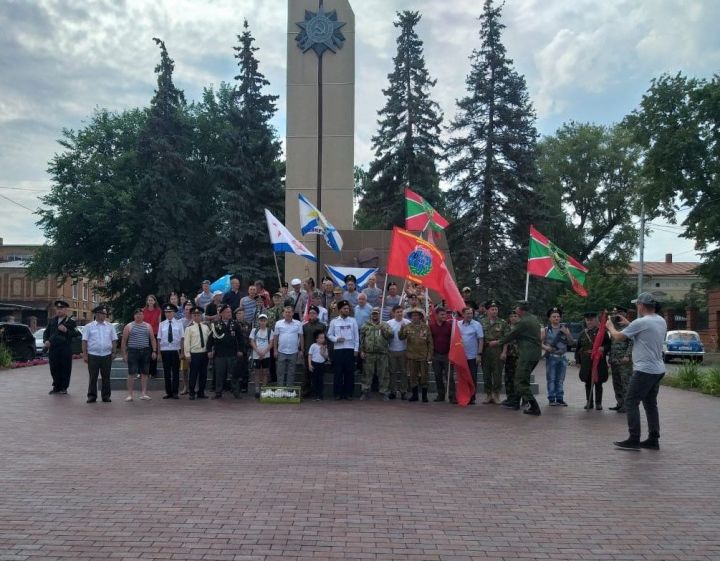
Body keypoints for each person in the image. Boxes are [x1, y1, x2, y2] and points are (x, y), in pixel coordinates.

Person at [606, 292, 667, 450]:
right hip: (657, 369)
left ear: (642, 305)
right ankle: (653, 439)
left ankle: (634, 438)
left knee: (631, 401)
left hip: (644, 370)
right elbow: (643, 336)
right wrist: (629, 323)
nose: (636, 306)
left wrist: (610, 327)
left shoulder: (641, 322)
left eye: (637, 304)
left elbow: (618, 337)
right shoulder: (660, 320)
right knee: (650, 403)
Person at [491, 301, 542, 416]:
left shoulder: (523, 322)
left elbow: (511, 335)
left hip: (527, 355)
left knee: (519, 381)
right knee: (521, 379)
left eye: (516, 308)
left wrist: (497, 342)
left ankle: (534, 406)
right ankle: (516, 402)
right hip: (533, 354)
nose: (515, 310)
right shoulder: (533, 318)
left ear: (520, 309)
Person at [82, 304, 117, 404]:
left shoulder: (110, 326)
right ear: (97, 314)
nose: (105, 315)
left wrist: (114, 352)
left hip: (106, 355)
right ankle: (92, 396)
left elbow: (114, 340)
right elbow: (84, 341)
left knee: (106, 376)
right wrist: (85, 354)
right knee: (93, 376)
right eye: (103, 313)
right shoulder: (89, 326)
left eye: (105, 313)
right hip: (93, 355)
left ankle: (106, 396)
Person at [575, 311, 611, 410]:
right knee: (588, 382)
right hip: (586, 361)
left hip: (598, 361)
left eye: (591, 320)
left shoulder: (602, 332)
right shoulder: (583, 333)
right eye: (588, 320)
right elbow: (578, 348)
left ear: (596, 320)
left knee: (598, 382)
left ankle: (598, 403)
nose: (589, 322)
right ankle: (589, 402)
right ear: (585, 321)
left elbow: (609, 344)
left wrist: (603, 348)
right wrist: (578, 361)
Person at [207, 304, 243, 399]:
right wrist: (209, 350)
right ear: (222, 313)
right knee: (219, 374)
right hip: (220, 354)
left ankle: (236, 392)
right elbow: (210, 339)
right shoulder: (215, 325)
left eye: (230, 312)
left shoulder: (235, 324)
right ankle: (218, 392)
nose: (229, 314)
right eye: (227, 312)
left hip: (232, 353)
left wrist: (240, 350)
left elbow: (240, 339)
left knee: (234, 374)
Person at [120, 308, 156, 401]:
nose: (138, 316)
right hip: (133, 352)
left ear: (143, 316)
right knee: (131, 373)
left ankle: (143, 393)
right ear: (134, 316)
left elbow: (152, 339)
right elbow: (124, 341)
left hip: (145, 351)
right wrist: (124, 354)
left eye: (140, 314)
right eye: (136, 314)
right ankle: (130, 395)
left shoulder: (148, 326)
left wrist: (154, 351)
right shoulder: (129, 326)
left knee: (145, 373)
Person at [540, 306, 573, 407]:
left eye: (558, 316)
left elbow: (571, 342)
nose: (556, 318)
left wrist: (567, 334)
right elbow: (538, 343)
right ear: (549, 318)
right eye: (554, 316)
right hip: (551, 357)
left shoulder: (564, 329)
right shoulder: (545, 330)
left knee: (560, 379)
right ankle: (551, 398)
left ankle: (560, 398)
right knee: (551, 379)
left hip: (562, 357)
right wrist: (546, 348)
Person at [44, 299, 78, 395]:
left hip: (65, 349)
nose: (59, 310)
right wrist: (46, 341)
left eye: (61, 308)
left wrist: (66, 330)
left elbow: (77, 333)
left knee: (65, 368)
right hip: (53, 349)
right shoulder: (52, 321)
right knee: (54, 368)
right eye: (58, 308)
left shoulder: (70, 321)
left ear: (65, 310)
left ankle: (64, 387)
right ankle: (56, 386)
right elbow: (46, 332)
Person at [399, 308, 433, 402]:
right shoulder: (408, 327)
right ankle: (415, 395)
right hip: (412, 355)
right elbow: (401, 337)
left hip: (423, 355)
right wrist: (401, 329)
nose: (415, 317)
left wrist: (429, 354)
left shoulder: (426, 327)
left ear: (420, 317)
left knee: (424, 376)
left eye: (416, 315)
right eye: (413, 316)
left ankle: (424, 396)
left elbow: (430, 342)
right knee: (413, 376)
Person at [327, 300, 359, 400]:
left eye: (348, 309)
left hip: (350, 349)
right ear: (340, 309)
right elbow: (329, 335)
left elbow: (356, 336)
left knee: (349, 372)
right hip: (338, 350)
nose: (347, 310)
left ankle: (348, 393)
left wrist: (356, 349)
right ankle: (338, 393)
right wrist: (336, 339)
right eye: (344, 309)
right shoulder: (334, 321)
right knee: (338, 373)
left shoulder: (353, 321)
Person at [359, 307, 393, 400]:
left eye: (376, 313)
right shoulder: (365, 325)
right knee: (367, 373)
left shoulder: (385, 324)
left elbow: (390, 335)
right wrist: (361, 350)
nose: (375, 315)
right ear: (371, 314)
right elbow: (361, 339)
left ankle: (384, 392)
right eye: (373, 314)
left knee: (383, 374)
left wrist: (383, 329)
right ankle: (365, 392)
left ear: (379, 314)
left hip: (382, 353)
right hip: (369, 353)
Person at [480, 300, 509, 404]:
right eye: (492, 309)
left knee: (497, 374)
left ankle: (496, 394)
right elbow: (479, 338)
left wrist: (504, 352)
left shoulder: (503, 322)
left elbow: (507, 339)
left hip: (498, 350)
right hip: (485, 350)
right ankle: (488, 394)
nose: (494, 311)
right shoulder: (481, 322)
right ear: (487, 311)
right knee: (486, 374)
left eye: (496, 309)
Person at [607, 305, 633, 413]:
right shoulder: (614, 327)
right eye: (615, 313)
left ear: (625, 314)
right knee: (616, 383)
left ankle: (627, 405)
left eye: (620, 313)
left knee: (626, 383)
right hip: (614, 360)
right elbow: (611, 344)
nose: (617, 315)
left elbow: (631, 343)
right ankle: (620, 403)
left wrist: (627, 355)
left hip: (624, 360)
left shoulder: (628, 327)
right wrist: (609, 356)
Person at [183, 306, 211, 400]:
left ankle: (201, 392)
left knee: (203, 374)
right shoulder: (189, 328)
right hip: (194, 354)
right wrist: (187, 354)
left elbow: (209, 341)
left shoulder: (206, 327)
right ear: (192, 316)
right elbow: (186, 342)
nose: (196, 317)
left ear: (201, 316)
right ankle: (192, 392)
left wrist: (210, 351)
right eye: (194, 315)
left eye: (198, 315)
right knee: (193, 374)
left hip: (204, 353)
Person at [457, 307, 484, 405]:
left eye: (471, 313)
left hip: (472, 356)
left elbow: (481, 340)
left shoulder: (477, 325)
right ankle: (463, 394)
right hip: (461, 356)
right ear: (463, 314)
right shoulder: (458, 324)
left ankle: (472, 396)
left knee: (472, 377)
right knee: (462, 377)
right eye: (467, 313)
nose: (469, 315)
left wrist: (479, 354)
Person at [157, 304, 184, 400]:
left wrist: (182, 352)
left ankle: (175, 392)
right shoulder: (162, 324)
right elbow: (159, 339)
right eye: (166, 312)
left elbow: (182, 339)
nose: (168, 314)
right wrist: (159, 353)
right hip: (165, 351)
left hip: (175, 350)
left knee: (176, 372)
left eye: (169, 312)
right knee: (167, 373)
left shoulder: (179, 323)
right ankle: (168, 392)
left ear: (174, 313)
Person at [273, 306, 303, 386]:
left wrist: (301, 350)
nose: (288, 314)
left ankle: (289, 390)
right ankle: (280, 389)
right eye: (286, 312)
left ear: (293, 313)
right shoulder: (278, 323)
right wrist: (275, 350)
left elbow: (301, 337)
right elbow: (275, 337)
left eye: (289, 312)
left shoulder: (298, 323)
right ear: (283, 313)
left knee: (291, 372)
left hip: (294, 351)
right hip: (281, 351)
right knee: (280, 372)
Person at [386, 304, 410, 399]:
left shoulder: (407, 322)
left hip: (403, 350)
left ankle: (403, 391)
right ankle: (393, 391)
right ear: (393, 313)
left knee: (404, 372)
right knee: (392, 372)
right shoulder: (389, 323)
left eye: (401, 311)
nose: (400, 313)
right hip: (392, 350)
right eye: (397, 312)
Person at [429, 306, 453, 402]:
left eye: (445, 314)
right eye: (442, 314)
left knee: (449, 376)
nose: (444, 316)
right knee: (438, 376)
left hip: (447, 354)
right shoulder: (431, 326)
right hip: (436, 355)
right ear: (436, 315)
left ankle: (452, 396)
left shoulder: (449, 326)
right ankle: (440, 395)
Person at [302, 306, 326, 396]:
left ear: (317, 314)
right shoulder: (304, 326)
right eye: (310, 313)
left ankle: (317, 391)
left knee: (318, 374)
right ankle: (306, 390)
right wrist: (301, 349)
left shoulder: (322, 326)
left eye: (314, 313)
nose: (312, 314)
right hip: (308, 353)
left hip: (319, 354)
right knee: (307, 372)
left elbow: (325, 339)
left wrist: (324, 351)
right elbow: (302, 339)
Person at [250, 314, 273, 398]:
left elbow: (271, 343)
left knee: (265, 372)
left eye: (264, 320)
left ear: (266, 321)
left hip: (266, 355)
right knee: (256, 373)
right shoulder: (254, 330)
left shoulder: (270, 331)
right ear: (258, 321)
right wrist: (258, 351)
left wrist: (264, 352)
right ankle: (257, 390)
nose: (262, 322)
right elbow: (252, 341)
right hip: (256, 355)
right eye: (261, 320)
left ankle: (264, 389)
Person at [142, 295, 161, 378]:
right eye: (149, 300)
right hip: (146, 333)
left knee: (154, 353)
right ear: (147, 301)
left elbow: (159, 323)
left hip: (155, 333)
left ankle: (153, 372)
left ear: (154, 301)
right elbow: (141, 323)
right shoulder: (143, 310)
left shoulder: (158, 310)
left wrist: (159, 334)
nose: (150, 302)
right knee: (145, 353)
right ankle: (144, 372)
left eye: (152, 300)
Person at [233, 307, 251, 395]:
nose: (238, 315)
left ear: (244, 314)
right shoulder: (232, 324)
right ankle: (235, 387)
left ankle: (244, 386)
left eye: (240, 313)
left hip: (245, 349)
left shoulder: (248, 324)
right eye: (237, 314)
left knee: (245, 369)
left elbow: (250, 337)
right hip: (235, 350)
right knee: (235, 369)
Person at [308, 331, 329, 401]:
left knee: (320, 380)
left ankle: (320, 395)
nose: (323, 339)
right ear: (317, 339)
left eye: (323, 338)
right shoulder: (313, 345)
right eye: (321, 338)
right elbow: (310, 355)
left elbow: (326, 357)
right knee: (314, 380)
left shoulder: (325, 347)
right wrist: (310, 364)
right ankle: (314, 394)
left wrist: (322, 352)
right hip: (314, 364)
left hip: (321, 364)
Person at [503, 310, 520, 401]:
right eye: (511, 316)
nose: (513, 318)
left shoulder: (521, 328)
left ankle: (520, 398)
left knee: (518, 378)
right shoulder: (507, 328)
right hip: (510, 356)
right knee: (508, 377)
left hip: (520, 356)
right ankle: (509, 397)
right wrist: (504, 352)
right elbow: (505, 341)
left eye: (515, 316)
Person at [179, 300, 195, 395]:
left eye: (190, 309)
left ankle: (193, 387)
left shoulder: (197, 320)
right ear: (184, 310)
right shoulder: (180, 321)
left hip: (195, 348)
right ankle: (186, 386)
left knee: (194, 368)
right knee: (184, 369)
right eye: (186, 309)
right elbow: (181, 336)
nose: (188, 311)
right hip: (185, 348)